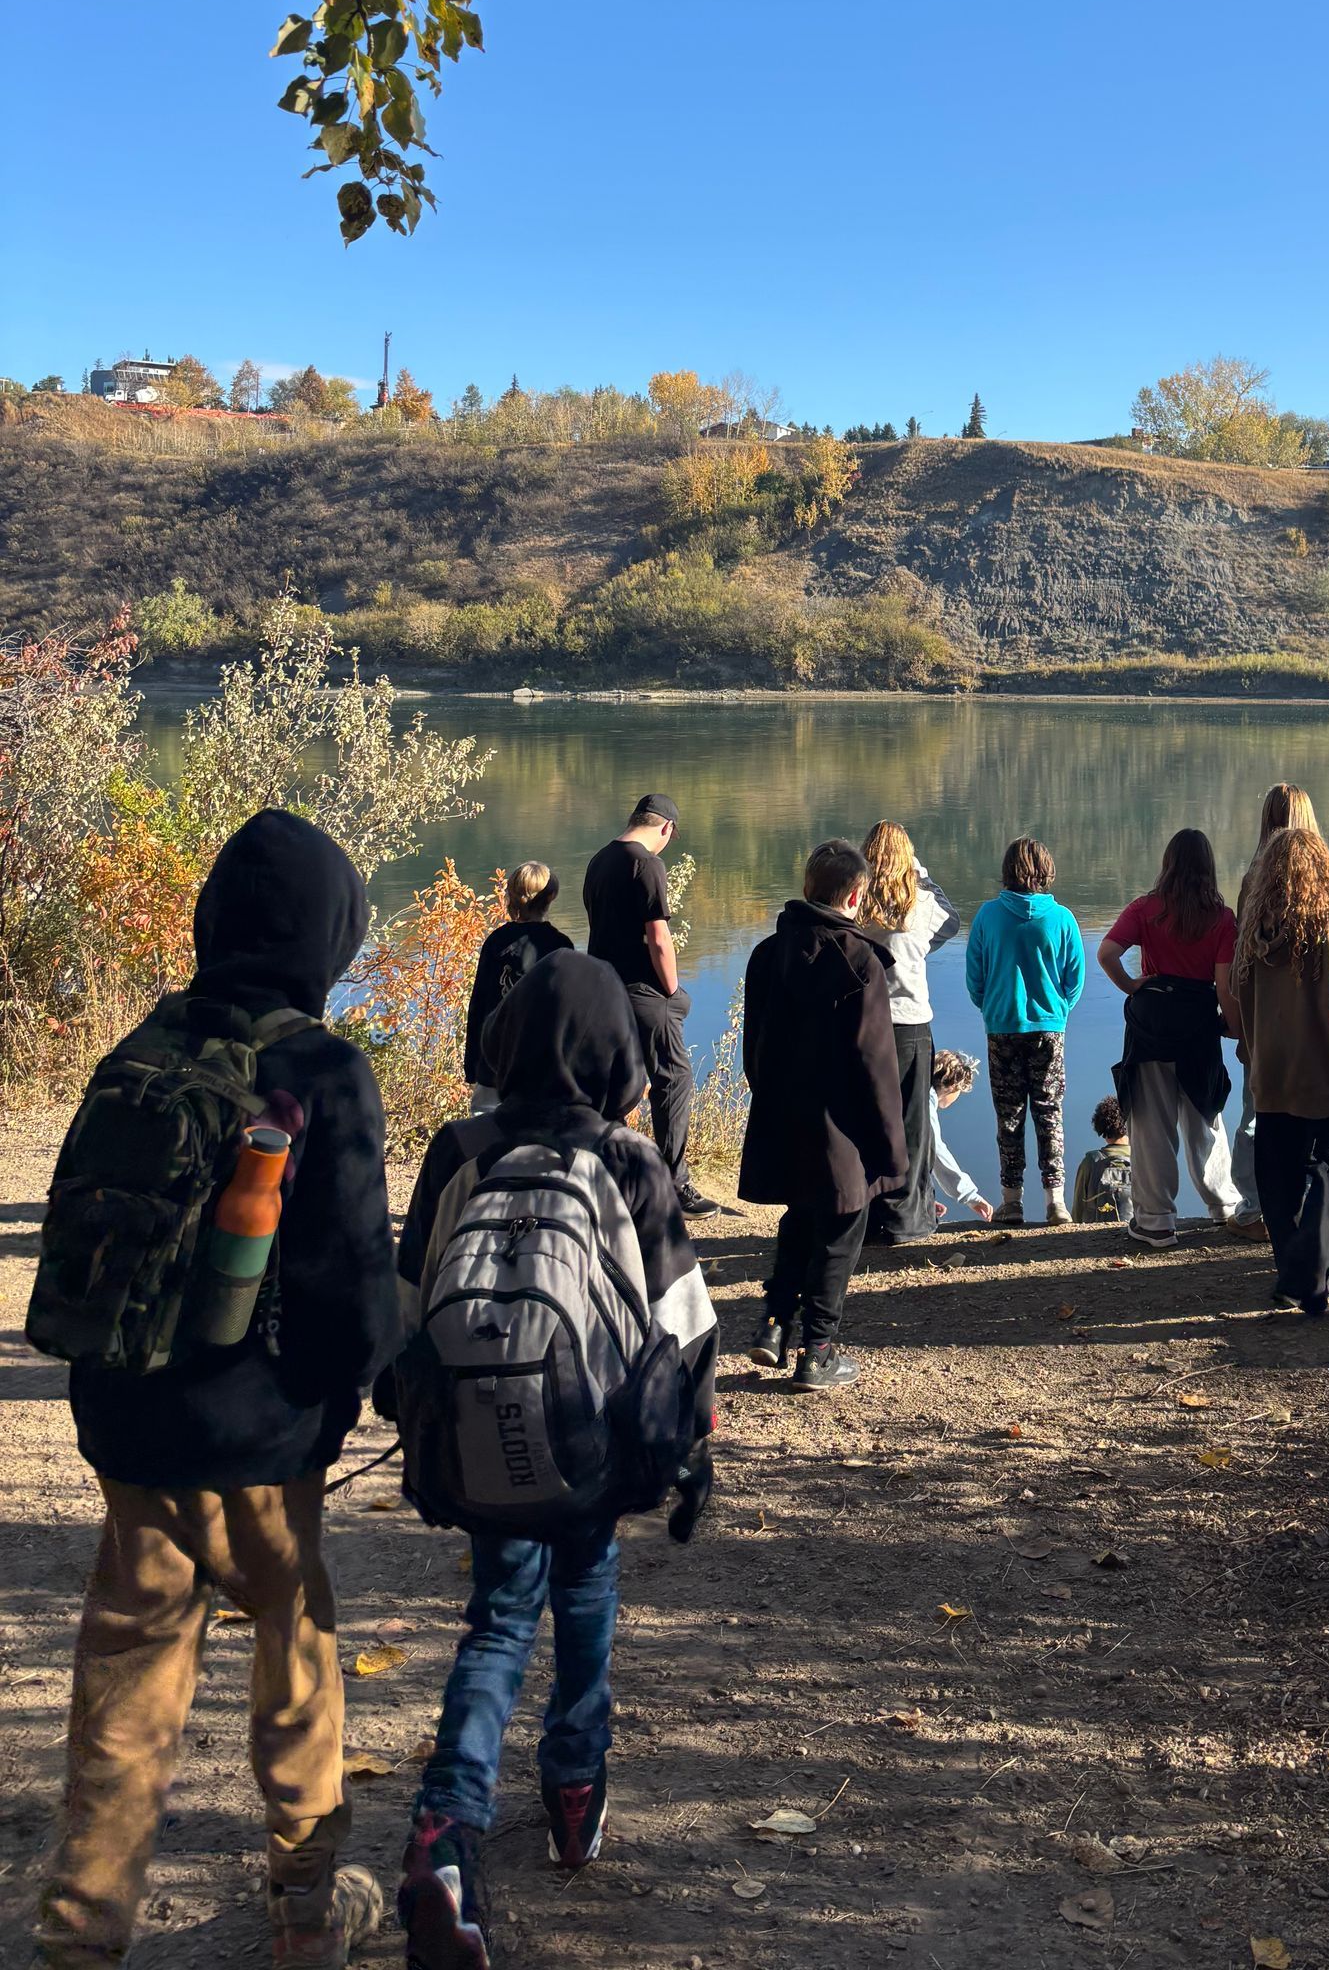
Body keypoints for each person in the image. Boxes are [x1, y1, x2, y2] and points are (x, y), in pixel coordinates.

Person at [33, 810, 399, 1970]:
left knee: (123, 1700)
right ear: (327, 934)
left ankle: (79, 1935)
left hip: (133, 1424)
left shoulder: (140, 1044)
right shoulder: (323, 1068)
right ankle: (304, 1908)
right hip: (260, 1438)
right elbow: (351, 1272)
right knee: (296, 1665)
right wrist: (365, 1390)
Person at [393, 953, 718, 1970]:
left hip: (479, 1441)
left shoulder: (457, 1147)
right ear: (617, 1051)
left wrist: (408, 1411)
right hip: (590, 1441)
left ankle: (447, 1832)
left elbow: (407, 1306)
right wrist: (692, 1445)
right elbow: (683, 1322)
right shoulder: (628, 1159)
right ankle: (575, 1795)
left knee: (495, 1623)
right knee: (584, 1596)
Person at [739, 840, 908, 1391]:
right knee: (841, 1228)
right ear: (856, 896)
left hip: (783, 1112)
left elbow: (754, 1046)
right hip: (844, 1126)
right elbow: (874, 1062)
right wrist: (891, 1146)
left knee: (800, 1215)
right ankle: (818, 1350)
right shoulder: (860, 961)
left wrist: (767, 1096)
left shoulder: (767, 954)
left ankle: (771, 1326)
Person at [1227, 824, 1329, 1315]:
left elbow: (1241, 1003)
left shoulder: (1253, 933)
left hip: (1272, 1079)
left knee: (1278, 1185)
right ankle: (1307, 1278)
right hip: (1323, 1078)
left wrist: (1255, 1061)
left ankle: (1295, 1276)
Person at [1098, 829, 1256, 1250]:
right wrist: (1237, 1030)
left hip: (1151, 1023)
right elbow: (1224, 988)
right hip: (1197, 1025)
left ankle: (1156, 1222)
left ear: (1168, 864)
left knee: (1150, 1124)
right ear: (1208, 867)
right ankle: (1224, 1205)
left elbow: (1106, 953)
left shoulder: (1145, 908)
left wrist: (1132, 985)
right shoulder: (1222, 919)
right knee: (1205, 1117)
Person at [583, 795, 713, 1217]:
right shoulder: (647, 865)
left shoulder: (600, 860)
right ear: (667, 829)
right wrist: (672, 989)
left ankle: (604, 1171)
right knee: (673, 1079)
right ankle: (675, 1186)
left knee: (617, 1081)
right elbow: (658, 937)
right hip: (643, 990)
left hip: (603, 985)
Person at [964, 836, 1086, 1226]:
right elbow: (1075, 981)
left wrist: (993, 1008)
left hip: (1001, 1027)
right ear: (1047, 872)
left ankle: (1012, 1201)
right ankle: (1056, 1203)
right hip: (1050, 1029)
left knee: (1009, 1116)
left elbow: (974, 979)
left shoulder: (986, 916)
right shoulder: (1063, 919)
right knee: (1050, 1113)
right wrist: (1057, 1011)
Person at [858, 822, 962, 1245]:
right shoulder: (919, 902)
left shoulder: (856, 899)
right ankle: (908, 1215)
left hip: (863, 1023)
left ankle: (867, 1212)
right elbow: (951, 924)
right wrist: (921, 874)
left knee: (866, 1117)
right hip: (911, 1024)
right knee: (913, 1122)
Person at [1229, 786, 1325, 1213]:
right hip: (1319, 1029)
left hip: (1265, 1028)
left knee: (1257, 1117)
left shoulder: (1253, 883)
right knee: (1318, 1119)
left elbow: (1240, 965)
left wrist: (1240, 1027)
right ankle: (1310, 1203)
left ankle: (1256, 1205)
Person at [462, 861, 573, 1113]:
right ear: (552, 896)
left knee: (485, 1136)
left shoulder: (496, 941)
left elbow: (478, 1004)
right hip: (542, 1066)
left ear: (511, 895)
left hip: (494, 1062)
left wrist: (472, 1064)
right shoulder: (560, 945)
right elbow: (565, 1012)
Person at [929, 1047, 995, 1223]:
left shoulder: (907, 1094)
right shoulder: (926, 1103)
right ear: (953, 1086)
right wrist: (970, 1196)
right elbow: (935, 1149)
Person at [1071, 1095, 1135, 1224]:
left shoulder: (1091, 1160)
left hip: (1095, 1229)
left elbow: (1079, 1204)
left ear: (1100, 1126)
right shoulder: (1141, 1158)